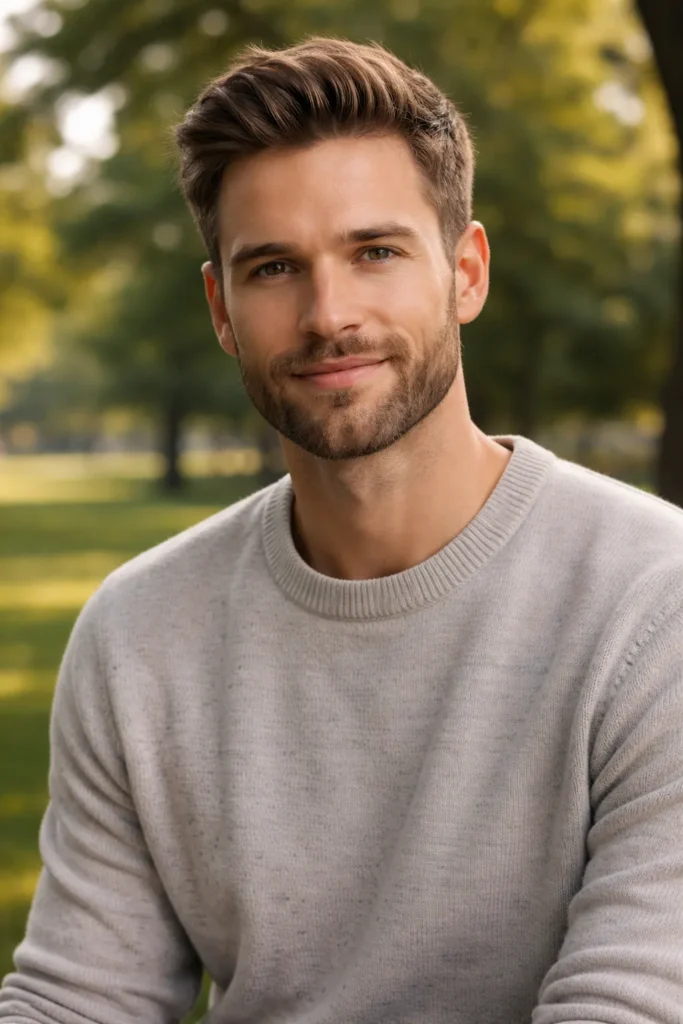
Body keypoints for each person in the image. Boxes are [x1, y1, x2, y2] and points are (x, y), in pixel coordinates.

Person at [2, 35, 683, 1024]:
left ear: (465, 271)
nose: (328, 314)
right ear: (221, 309)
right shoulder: (138, 633)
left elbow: (631, 1003)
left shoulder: (650, 602)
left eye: (374, 251)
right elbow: (76, 1001)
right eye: (273, 267)